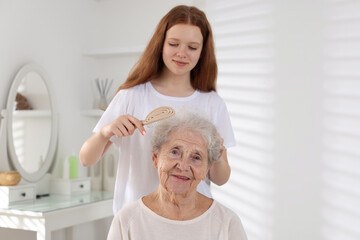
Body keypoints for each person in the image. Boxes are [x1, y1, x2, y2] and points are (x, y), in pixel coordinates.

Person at [79, 5, 235, 214]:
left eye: (192, 47)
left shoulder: (212, 104)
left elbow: (221, 178)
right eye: (173, 43)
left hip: (193, 220)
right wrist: (106, 132)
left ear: (202, 52)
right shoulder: (131, 96)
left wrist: (219, 152)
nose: (181, 53)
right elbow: (86, 159)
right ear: (161, 44)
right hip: (138, 217)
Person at [107, 112, 247, 240]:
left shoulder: (227, 223)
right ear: (155, 158)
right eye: (175, 152)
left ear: (206, 170)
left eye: (196, 157)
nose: (183, 166)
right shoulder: (126, 221)